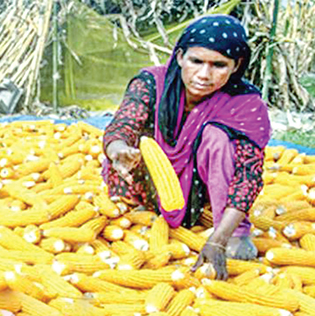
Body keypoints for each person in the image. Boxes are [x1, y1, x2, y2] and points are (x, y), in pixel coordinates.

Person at [101, 14, 271, 280]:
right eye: (196, 61)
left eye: (219, 65)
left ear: (236, 66)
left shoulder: (244, 103)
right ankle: (146, 206)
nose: (204, 75)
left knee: (217, 136)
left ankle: (232, 228)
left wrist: (220, 238)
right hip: (143, 178)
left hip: (200, 187)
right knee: (138, 137)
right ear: (180, 57)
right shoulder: (151, 83)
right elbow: (123, 123)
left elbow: (248, 174)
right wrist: (117, 149)